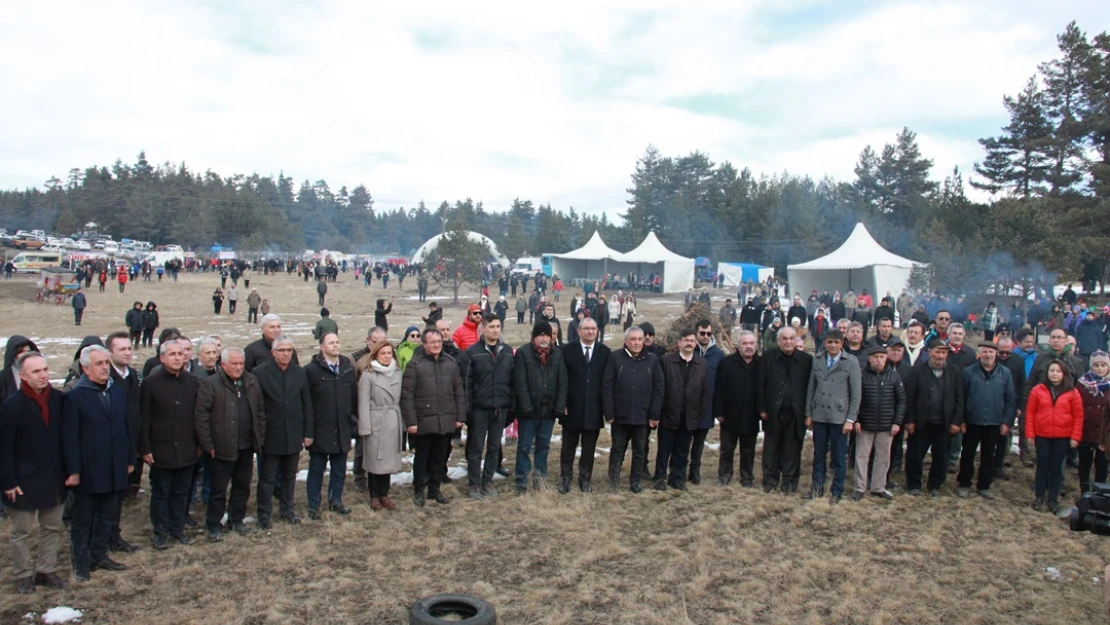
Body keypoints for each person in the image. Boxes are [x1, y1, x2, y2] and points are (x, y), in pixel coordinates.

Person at [62, 345, 134, 580]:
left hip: (114, 467)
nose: (104, 368)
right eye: (99, 364)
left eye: (106, 363)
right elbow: (69, 438)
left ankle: (99, 554)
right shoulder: (74, 398)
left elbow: (125, 428)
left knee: (107, 515)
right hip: (88, 470)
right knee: (83, 520)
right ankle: (82, 563)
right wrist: (73, 470)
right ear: (85, 368)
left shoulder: (117, 392)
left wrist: (128, 459)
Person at [0, 352, 69, 593]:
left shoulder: (59, 399)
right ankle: (23, 575)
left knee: (51, 527)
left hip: (53, 477)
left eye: (45, 370)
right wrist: (8, 482)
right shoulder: (11, 407)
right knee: (21, 532)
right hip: (23, 481)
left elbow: (65, 440)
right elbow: (4, 449)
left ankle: (46, 570)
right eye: (36, 372)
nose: (43, 375)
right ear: (23, 377)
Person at [194, 347, 264, 543]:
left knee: (242, 487)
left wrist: (259, 438)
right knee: (218, 490)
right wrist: (208, 445)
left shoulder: (250, 381)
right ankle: (214, 524)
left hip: (246, 446)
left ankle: (237, 519)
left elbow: (259, 411)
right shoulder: (210, 385)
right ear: (223, 364)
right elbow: (201, 417)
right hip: (220, 448)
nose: (238, 367)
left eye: (241, 363)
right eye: (234, 364)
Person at [139, 340, 200, 550]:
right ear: (162, 358)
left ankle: (177, 529)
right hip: (160, 448)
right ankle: (160, 532)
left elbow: (198, 416)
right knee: (161, 492)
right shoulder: (150, 383)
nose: (176, 357)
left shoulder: (193, 382)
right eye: (171, 354)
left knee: (181, 491)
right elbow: (144, 418)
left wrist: (199, 444)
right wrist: (145, 448)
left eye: (180, 353)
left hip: (187, 447)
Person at [253, 336, 313, 528]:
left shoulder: (299, 372)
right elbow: (257, 408)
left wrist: (307, 432)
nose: (286, 353)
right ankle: (264, 514)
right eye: (282, 350)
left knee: (289, 476)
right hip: (271, 435)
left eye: (289, 350)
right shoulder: (260, 373)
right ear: (273, 352)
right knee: (267, 478)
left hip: (293, 434)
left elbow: (307, 405)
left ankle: (287, 510)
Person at [402, 328, 466, 507]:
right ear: (424, 344)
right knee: (422, 458)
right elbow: (407, 395)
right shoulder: (415, 364)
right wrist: (411, 422)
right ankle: (418, 490)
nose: (437, 345)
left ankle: (434, 489)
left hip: (445, 420)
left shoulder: (451, 363)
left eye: (439, 341)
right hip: (423, 422)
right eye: (433, 342)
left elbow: (458, 392)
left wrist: (459, 417)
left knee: (439, 457)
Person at [602, 326, 664, 493]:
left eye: (639, 339)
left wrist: (654, 414)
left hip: (642, 416)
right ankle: (614, 480)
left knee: (639, 450)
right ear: (626, 341)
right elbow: (607, 386)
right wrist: (609, 412)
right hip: (620, 415)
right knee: (617, 449)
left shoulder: (652, 360)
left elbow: (659, 388)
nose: (636, 343)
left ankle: (635, 481)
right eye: (633, 339)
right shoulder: (615, 358)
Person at [303, 333, 356, 519]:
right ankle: (314, 505)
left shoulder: (347, 368)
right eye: (331, 343)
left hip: (342, 427)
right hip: (320, 428)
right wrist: (308, 431)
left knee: (339, 469)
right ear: (322, 348)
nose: (335, 345)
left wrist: (352, 423)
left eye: (337, 342)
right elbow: (306, 403)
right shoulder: (311, 371)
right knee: (317, 469)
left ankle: (336, 500)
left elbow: (353, 399)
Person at [804, 330, 861, 502]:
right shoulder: (818, 359)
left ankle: (837, 491)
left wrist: (850, 419)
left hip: (839, 417)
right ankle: (817, 488)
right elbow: (811, 389)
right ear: (825, 343)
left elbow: (856, 393)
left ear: (842, 343)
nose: (833, 345)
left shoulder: (851, 362)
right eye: (830, 342)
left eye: (836, 342)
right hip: (820, 415)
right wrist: (808, 413)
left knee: (838, 457)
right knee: (819, 455)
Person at [512, 321, 568, 494]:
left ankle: (540, 479)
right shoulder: (523, 353)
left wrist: (559, 407)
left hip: (548, 411)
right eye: (541, 335)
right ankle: (521, 481)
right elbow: (520, 383)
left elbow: (562, 382)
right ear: (534, 337)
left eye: (548, 335)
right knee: (524, 447)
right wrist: (526, 408)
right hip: (528, 412)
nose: (544, 339)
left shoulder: (557, 354)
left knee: (543, 445)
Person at [903, 339, 965, 496]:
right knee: (915, 456)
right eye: (937, 351)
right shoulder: (917, 370)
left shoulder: (954, 371)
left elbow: (960, 399)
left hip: (944, 424)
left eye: (944, 352)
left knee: (941, 457)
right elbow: (909, 398)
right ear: (929, 352)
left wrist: (956, 421)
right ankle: (914, 484)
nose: (940, 355)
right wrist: (909, 420)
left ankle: (935, 485)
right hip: (921, 423)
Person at [652, 329, 710, 492]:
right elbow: (660, 388)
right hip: (668, 414)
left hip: (689, 416)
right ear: (679, 343)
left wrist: (700, 414)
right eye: (686, 340)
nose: (689, 343)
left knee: (682, 450)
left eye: (692, 340)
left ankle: (677, 478)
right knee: (664, 449)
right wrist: (659, 412)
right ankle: (660, 478)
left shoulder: (701, 364)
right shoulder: (666, 361)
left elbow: (705, 392)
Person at [757, 326, 813, 494]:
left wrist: (808, 413)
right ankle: (770, 482)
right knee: (771, 449)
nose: (788, 342)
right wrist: (762, 408)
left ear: (796, 340)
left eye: (791, 338)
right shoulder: (768, 357)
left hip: (797, 414)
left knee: (792, 450)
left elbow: (810, 388)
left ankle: (789, 483)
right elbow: (760, 384)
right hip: (773, 413)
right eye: (784, 339)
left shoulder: (806, 360)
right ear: (778, 341)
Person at [464, 314, 514, 499]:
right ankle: (474, 484)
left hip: (500, 408)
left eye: (498, 326)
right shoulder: (473, 352)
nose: (495, 330)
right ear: (483, 328)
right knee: (476, 448)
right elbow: (467, 384)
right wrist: (467, 411)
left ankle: (488, 482)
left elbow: (512, 381)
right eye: (491, 326)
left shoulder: (507, 351)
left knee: (494, 448)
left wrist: (510, 408)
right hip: (479, 409)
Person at [957, 343, 1016, 500]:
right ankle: (964, 484)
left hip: (994, 422)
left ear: (996, 354)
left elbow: (1010, 399)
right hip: (972, 421)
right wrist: (961, 419)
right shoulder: (968, 372)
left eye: (991, 352)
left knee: (988, 456)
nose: (988, 355)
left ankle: (984, 485)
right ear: (979, 354)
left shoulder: (1005, 373)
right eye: (984, 352)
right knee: (968, 454)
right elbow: (961, 397)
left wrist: (1006, 422)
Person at [1026, 360, 1084, 513]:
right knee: (1042, 466)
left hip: (1063, 436)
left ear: (1063, 374)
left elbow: (1078, 416)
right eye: (1052, 370)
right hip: (1042, 435)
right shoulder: (1038, 390)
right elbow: (1030, 412)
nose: (1055, 374)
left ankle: (1053, 499)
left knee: (1057, 467)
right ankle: (1039, 497)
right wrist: (1030, 433)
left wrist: (1075, 437)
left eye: (1058, 371)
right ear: (1047, 372)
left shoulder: (1072, 392)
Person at [560, 317, 609, 494]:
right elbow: (562, 380)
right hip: (572, 408)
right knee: (568, 447)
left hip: (594, 410)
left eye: (593, 329)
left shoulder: (605, 352)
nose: (590, 332)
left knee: (589, 448)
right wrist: (562, 404)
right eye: (586, 328)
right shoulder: (567, 351)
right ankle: (565, 478)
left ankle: (585, 479)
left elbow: (606, 383)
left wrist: (607, 410)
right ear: (579, 331)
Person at [851, 345, 905, 501]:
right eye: (875, 357)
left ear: (886, 358)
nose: (879, 360)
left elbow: (901, 401)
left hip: (886, 426)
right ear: (869, 358)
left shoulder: (894, 376)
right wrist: (856, 419)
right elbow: (855, 398)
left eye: (882, 357)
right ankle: (859, 488)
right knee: (861, 456)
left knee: (883, 457)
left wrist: (897, 422)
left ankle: (878, 487)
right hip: (865, 424)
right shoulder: (861, 375)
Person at [104, 332, 143, 547]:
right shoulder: (106, 377)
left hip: (131, 444)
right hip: (111, 447)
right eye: (122, 349)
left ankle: (114, 536)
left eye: (129, 348)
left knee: (119, 495)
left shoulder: (132, 375)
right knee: (108, 497)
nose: (127, 353)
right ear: (110, 352)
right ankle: (104, 538)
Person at [357, 340, 404, 511]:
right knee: (375, 459)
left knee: (388, 460)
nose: (386, 356)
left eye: (389, 353)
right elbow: (363, 403)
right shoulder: (368, 375)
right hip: (376, 419)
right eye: (383, 353)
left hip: (392, 419)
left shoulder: (398, 373)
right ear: (376, 354)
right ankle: (374, 495)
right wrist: (365, 427)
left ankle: (385, 493)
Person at [714, 331, 762, 487]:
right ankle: (724, 475)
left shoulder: (762, 364)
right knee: (727, 448)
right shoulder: (727, 363)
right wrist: (719, 411)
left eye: (751, 343)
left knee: (748, 450)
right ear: (738, 346)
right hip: (729, 415)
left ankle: (747, 477)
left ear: (756, 345)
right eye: (744, 343)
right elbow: (719, 388)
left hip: (751, 415)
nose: (748, 347)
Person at [689, 319, 723, 485]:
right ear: (696, 334)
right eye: (702, 333)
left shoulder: (718, 354)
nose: (705, 336)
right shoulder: (689, 350)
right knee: (684, 439)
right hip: (687, 404)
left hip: (707, 405)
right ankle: (679, 469)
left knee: (699, 441)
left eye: (708, 334)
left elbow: (721, 381)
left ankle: (695, 471)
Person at [1076, 352, 1110, 494]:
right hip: (1085, 429)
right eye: (1096, 365)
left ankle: (1099, 493)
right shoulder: (1082, 384)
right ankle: (1084, 492)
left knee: (1102, 464)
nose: (1100, 368)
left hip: (1104, 432)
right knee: (1084, 463)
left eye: (1103, 365)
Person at [0, 336, 39, 403]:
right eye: (22, 352)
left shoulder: (39, 373)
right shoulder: (3, 377)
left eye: (29, 351)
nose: (26, 354)